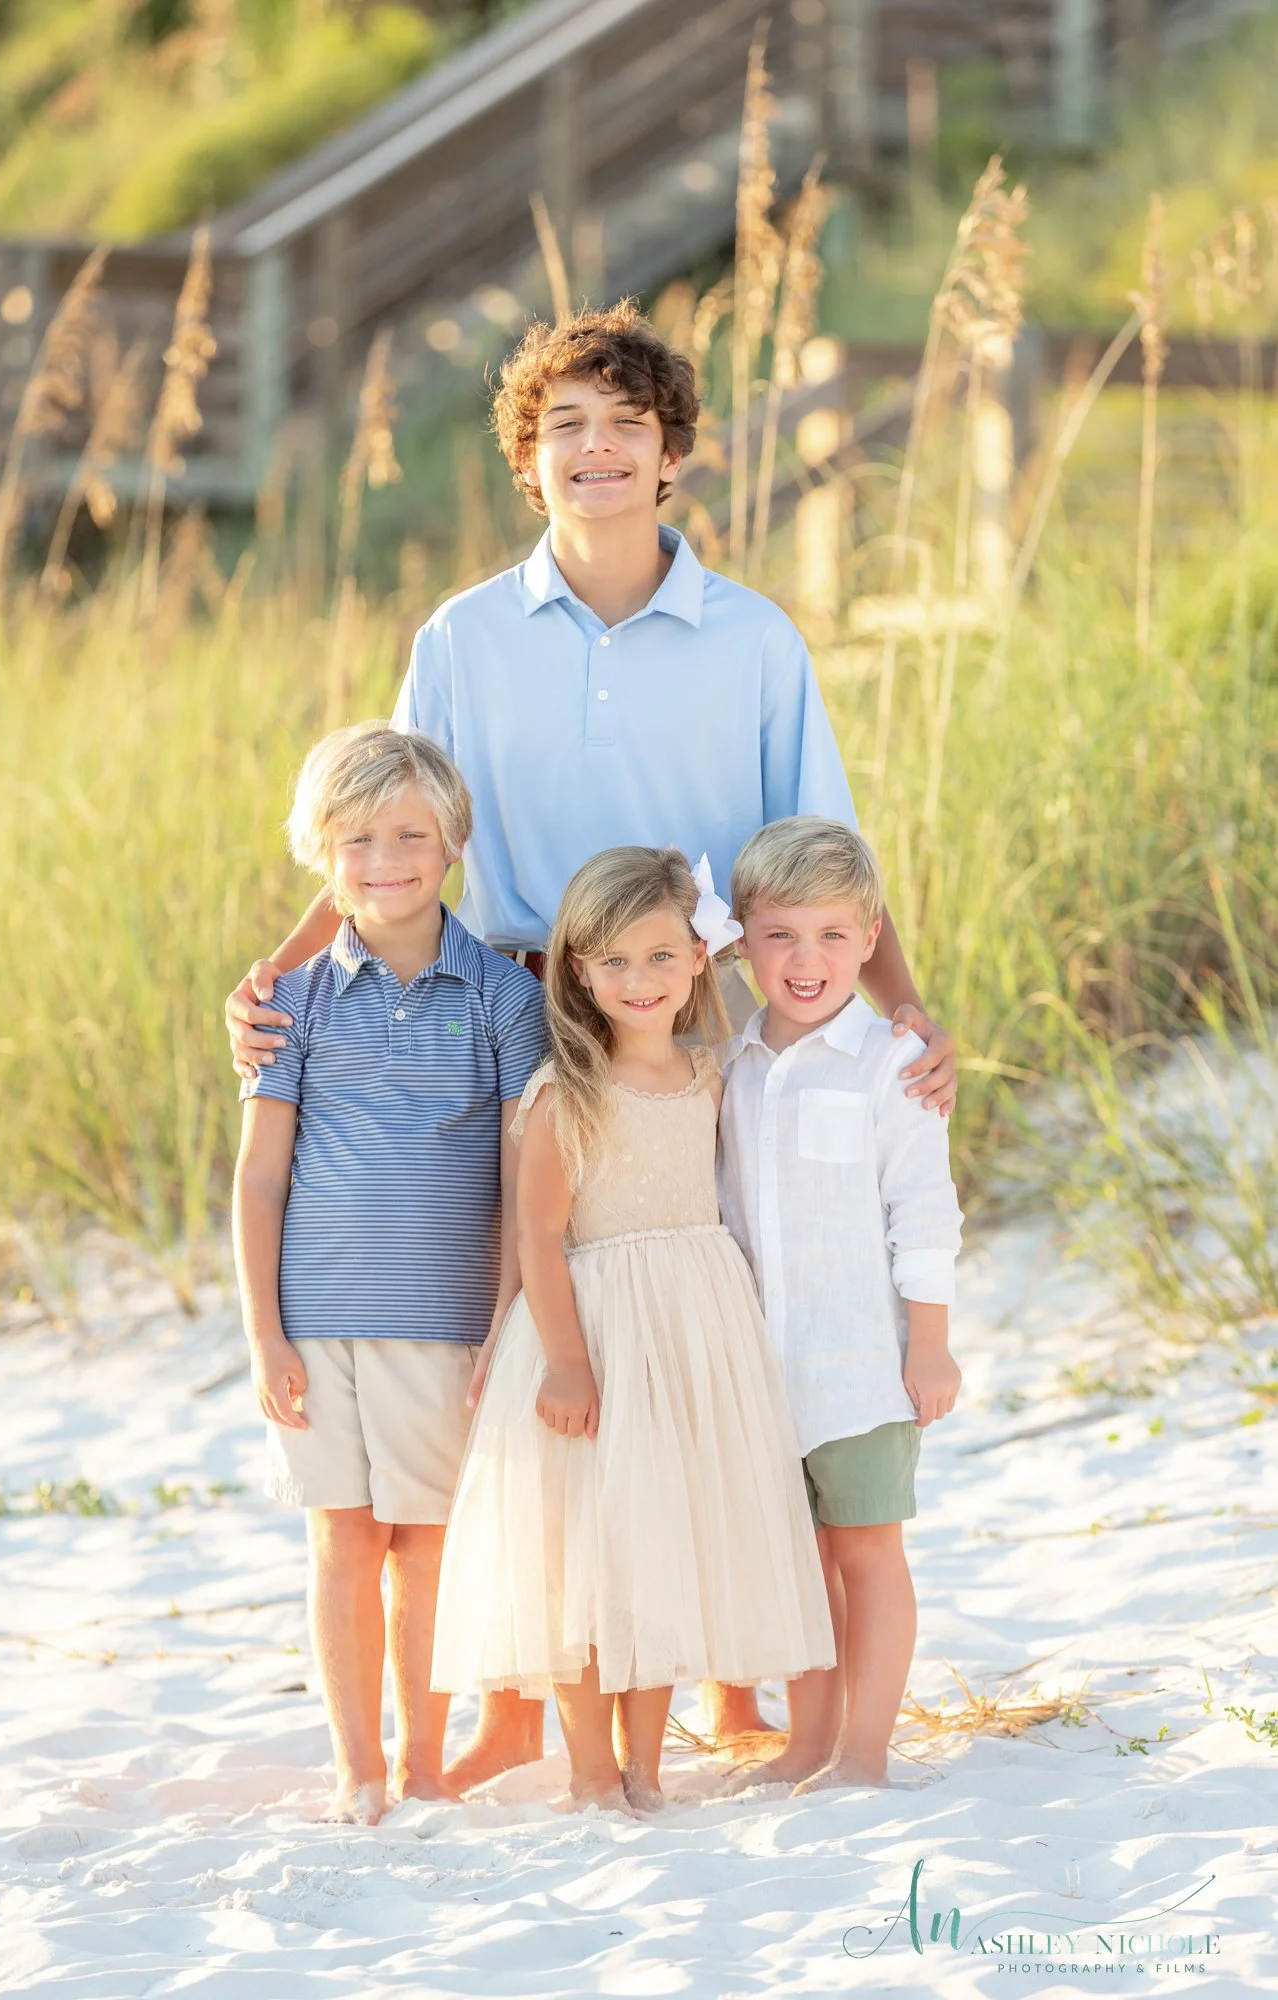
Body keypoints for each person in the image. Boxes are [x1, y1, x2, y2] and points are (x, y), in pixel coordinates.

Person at [224, 302, 957, 1775]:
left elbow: (827, 852)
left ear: (675, 454)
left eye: (628, 425)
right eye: (566, 426)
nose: (598, 449)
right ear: (526, 460)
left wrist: (909, 1007)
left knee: (708, 1325)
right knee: (530, 1335)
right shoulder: (464, 635)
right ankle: (518, 1695)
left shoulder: (750, 636)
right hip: (503, 1010)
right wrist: (281, 968)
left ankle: (732, 1681)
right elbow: (391, 825)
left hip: (690, 1013)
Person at [430, 847, 836, 1813]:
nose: (638, 980)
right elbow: (535, 1230)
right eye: (613, 961)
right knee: (582, 1558)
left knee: (658, 1548)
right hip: (592, 1329)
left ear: (701, 959)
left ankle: (647, 1766)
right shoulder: (562, 1091)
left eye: (660, 957)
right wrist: (566, 1363)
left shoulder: (710, 1075)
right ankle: (589, 1769)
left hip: (693, 1335)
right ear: (576, 970)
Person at [231, 723, 547, 1823]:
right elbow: (259, 1180)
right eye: (357, 837)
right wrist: (264, 1331)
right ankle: (356, 1764)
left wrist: (509, 1315)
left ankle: (423, 1758)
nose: (385, 857)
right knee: (340, 1540)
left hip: (444, 1322)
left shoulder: (506, 1002)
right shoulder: (294, 1003)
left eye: (411, 832)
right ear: (321, 852)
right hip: (314, 1322)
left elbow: (522, 1181)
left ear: (453, 841)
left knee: (424, 1545)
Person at [717, 818, 964, 1789]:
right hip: (761, 1369)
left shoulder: (888, 1063)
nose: (804, 959)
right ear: (738, 942)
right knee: (797, 1563)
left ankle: (863, 1750)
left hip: (859, 1363)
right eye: (778, 934)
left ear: (869, 938)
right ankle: (807, 1741)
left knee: (864, 1550)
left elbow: (923, 1211)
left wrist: (930, 1345)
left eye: (829, 934)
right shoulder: (731, 1063)